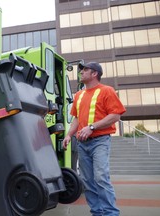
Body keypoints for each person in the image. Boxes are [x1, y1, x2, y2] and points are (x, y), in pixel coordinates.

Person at [62, 62, 126, 216]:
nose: (81, 72)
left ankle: (110, 213)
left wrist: (92, 127)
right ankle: (97, 213)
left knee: (100, 177)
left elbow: (116, 115)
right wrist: (69, 135)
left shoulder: (107, 91)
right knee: (88, 181)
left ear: (94, 73)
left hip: (100, 141)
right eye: (81, 70)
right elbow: (76, 119)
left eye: (85, 70)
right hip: (82, 144)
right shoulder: (79, 95)